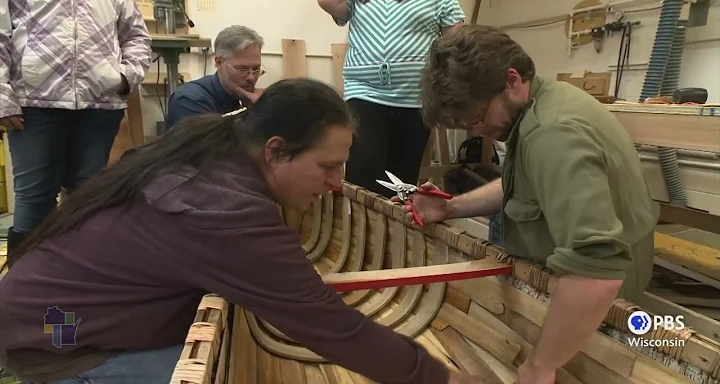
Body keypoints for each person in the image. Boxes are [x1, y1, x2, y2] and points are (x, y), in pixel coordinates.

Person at [0, 78, 480, 384]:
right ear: (275, 151)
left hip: (42, 311)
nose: (337, 185)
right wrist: (438, 378)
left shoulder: (214, 147)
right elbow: (328, 324)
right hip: (54, 338)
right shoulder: (226, 208)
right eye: (328, 167)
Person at [403, 24, 659, 384]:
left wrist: (542, 364)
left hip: (597, 304)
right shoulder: (543, 103)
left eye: (477, 117)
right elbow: (521, 188)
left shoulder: (553, 134)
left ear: (511, 80)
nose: (478, 131)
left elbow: (597, 272)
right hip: (578, 285)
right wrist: (449, 208)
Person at [0, 0, 152, 270]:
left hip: (100, 105)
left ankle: (79, 286)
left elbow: (136, 37)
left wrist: (123, 76)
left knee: (89, 196)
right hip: (35, 103)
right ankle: (26, 292)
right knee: (35, 197)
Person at [317, 0, 465, 198]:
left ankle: (394, 231)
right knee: (363, 176)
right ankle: (362, 231)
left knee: (402, 183)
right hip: (364, 94)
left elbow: (457, 40)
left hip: (414, 100)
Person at [165, 25, 265, 129]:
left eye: (256, 69)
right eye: (242, 69)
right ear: (218, 62)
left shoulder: (241, 97)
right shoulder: (189, 101)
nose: (252, 78)